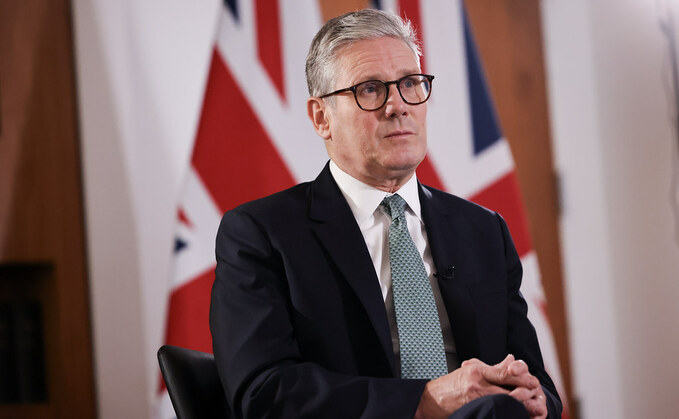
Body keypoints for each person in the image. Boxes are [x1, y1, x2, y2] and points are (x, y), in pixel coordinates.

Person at [210, 9, 562, 419]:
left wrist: (538, 401)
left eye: (411, 83)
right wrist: (426, 401)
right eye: (371, 89)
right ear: (321, 117)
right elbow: (263, 393)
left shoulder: (483, 230)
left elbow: (538, 384)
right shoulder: (261, 234)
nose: (398, 106)